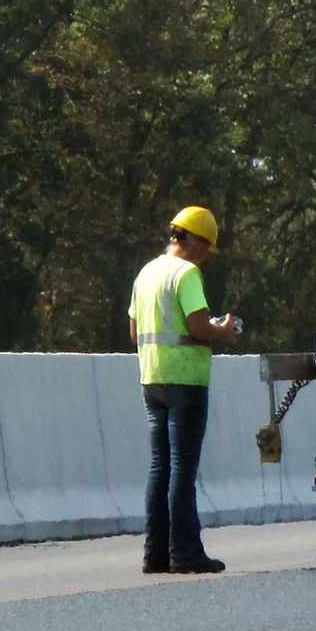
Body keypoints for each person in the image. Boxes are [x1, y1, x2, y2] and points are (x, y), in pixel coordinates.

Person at [128, 206, 242, 575]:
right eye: (205, 246)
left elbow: (134, 332)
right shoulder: (186, 273)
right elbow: (197, 326)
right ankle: (186, 552)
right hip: (186, 382)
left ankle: (155, 553)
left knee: (159, 467)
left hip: (152, 379)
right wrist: (221, 330)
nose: (206, 254)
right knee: (182, 469)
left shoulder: (147, 272)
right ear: (191, 239)